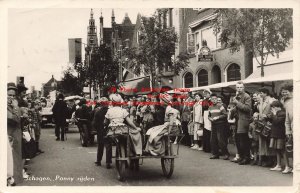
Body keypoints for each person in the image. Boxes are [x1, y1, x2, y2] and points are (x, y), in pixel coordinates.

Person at [231, 81, 252, 165]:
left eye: (241, 87)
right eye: (238, 87)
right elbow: (236, 108)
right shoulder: (237, 96)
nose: (239, 89)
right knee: (238, 140)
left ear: (244, 88)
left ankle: (246, 158)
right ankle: (242, 157)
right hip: (237, 121)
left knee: (244, 141)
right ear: (236, 88)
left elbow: (247, 108)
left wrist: (237, 103)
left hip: (243, 121)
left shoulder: (247, 96)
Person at [265, 100, 288, 173]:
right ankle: (278, 165)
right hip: (275, 133)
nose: (272, 109)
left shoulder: (283, 113)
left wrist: (274, 115)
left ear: (278, 107)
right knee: (277, 149)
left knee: (282, 150)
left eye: (273, 107)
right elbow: (273, 121)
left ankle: (287, 166)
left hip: (280, 134)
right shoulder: (277, 113)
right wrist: (268, 117)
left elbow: (278, 122)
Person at [257, 87, 276, 167]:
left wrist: (268, 116)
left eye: (261, 93)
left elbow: (274, 111)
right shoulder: (261, 101)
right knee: (263, 142)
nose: (260, 94)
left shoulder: (272, 100)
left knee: (269, 142)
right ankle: (267, 159)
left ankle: (272, 160)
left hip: (269, 124)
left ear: (265, 93)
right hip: (262, 124)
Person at [7, 82, 22, 185]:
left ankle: (14, 177)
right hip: (9, 134)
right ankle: (10, 179)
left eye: (13, 95)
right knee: (9, 158)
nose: (11, 97)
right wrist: (16, 108)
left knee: (15, 157)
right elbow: (15, 119)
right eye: (9, 95)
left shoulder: (11, 105)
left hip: (15, 134)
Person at [208, 93, 230, 160]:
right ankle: (215, 154)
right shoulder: (210, 107)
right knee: (212, 140)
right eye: (212, 99)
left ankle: (226, 154)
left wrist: (218, 117)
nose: (214, 100)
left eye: (215, 99)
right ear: (211, 100)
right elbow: (208, 116)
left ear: (217, 99)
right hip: (213, 124)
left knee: (220, 140)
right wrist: (210, 119)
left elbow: (225, 114)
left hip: (220, 124)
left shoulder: (220, 106)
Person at [93, 97, 112, 168]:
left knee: (100, 146)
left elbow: (94, 123)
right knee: (108, 146)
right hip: (108, 130)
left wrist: (97, 129)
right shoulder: (110, 111)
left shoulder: (98, 112)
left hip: (100, 131)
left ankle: (98, 161)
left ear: (100, 104)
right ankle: (108, 162)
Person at [280, 83, 293, 174]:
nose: (284, 94)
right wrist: (288, 131)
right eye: (283, 92)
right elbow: (287, 120)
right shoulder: (286, 103)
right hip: (293, 130)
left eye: (286, 92)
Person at [202, 89, 212, 153]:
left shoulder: (210, 100)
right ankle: (206, 147)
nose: (205, 94)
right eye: (205, 93)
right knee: (205, 131)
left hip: (209, 115)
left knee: (209, 130)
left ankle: (210, 147)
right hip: (204, 116)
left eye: (207, 93)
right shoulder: (203, 101)